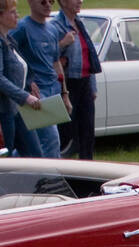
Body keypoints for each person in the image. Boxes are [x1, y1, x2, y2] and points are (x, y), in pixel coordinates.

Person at [0, 0, 42, 157]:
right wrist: (25, 97)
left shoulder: (8, 41)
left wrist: (28, 84)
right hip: (1, 112)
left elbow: (17, 69)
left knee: (35, 155)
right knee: (5, 158)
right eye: (12, 12)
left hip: (16, 109)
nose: (17, 15)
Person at [10, 0, 75, 159]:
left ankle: (12, 165)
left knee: (34, 142)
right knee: (51, 139)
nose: (48, 5)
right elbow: (9, 55)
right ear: (31, 3)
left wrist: (65, 94)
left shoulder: (52, 29)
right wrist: (26, 82)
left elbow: (56, 62)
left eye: (51, 2)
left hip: (53, 89)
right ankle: (53, 179)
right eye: (43, 2)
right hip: (37, 93)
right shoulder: (22, 28)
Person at [56, 0, 100, 159]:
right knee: (66, 131)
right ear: (63, 2)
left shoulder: (80, 24)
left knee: (87, 130)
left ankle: (87, 168)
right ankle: (62, 168)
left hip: (85, 82)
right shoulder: (57, 26)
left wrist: (93, 87)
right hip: (68, 83)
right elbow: (48, 56)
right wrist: (62, 43)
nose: (80, 1)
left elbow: (89, 56)